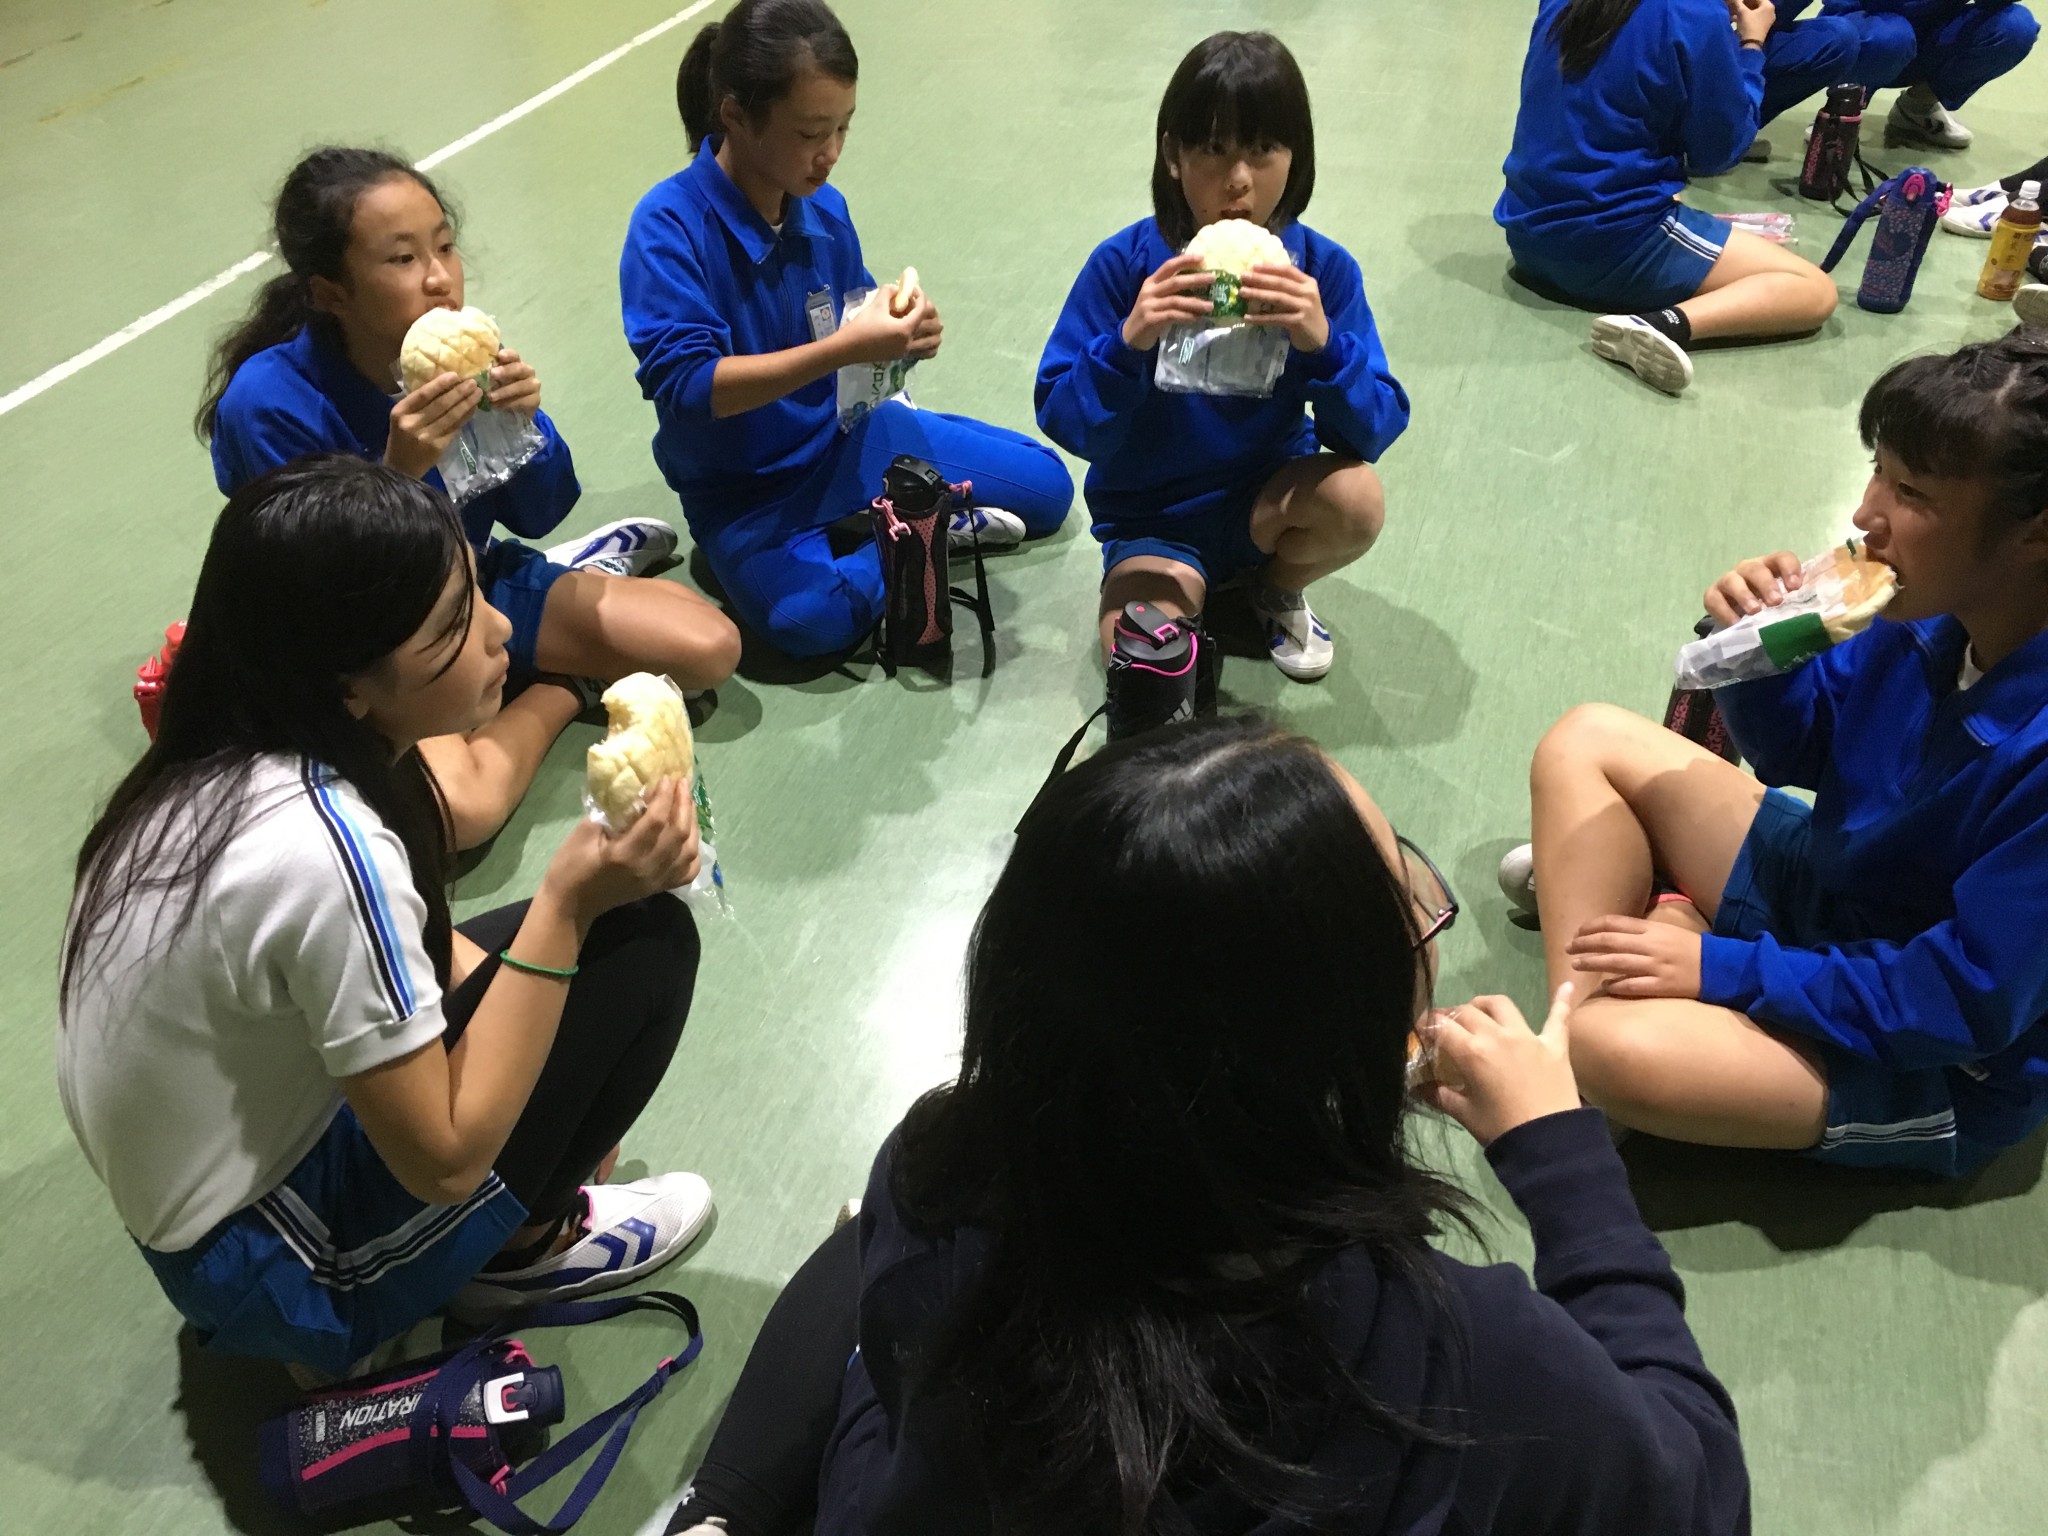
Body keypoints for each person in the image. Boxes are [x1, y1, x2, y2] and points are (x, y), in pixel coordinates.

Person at [662, 717, 1751, 1536]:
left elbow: (908, 1404)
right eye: (1399, 909)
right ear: (1338, 1029)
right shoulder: (1450, 1356)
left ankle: (714, 1517)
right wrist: (1559, 1152)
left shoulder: (937, 1176)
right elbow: (1697, 1492)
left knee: (865, 1244)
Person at [59, 457, 716, 1381]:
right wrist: (569, 907)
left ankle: (494, 1213)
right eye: (453, 624)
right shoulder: (323, 845)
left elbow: (423, 952)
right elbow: (444, 1164)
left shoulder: (228, 751)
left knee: (568, 977)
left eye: (476, 594)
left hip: (222, 1190)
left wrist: (557, 1074)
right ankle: (515, 1255)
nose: (498, 630)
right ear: (350, 684)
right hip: (280, 1266)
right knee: (644, 945)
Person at [1503, 333, 2048, 1175]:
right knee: (1587, 739)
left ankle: (1623, 997)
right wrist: (1757, 650)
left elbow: (1961, 999)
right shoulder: (1928, 611)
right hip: (1842, 897)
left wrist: (1721, 968)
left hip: (1935, 1051)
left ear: (2036, 534)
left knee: (1614, 1047)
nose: (1866, 515)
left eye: (1911, 492)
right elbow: (1802, 752)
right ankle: (1627, 983)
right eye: (1877, 470)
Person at [203, 147, 740, 849]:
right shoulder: (268, 406)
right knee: (464, 811)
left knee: (709, 650)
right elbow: (331, 604)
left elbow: (539, 512)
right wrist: (399, 473)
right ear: (330, 292)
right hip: (382, 642)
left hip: (472, 578)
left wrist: (526, 424)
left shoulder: (462, 362)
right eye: (403, 259)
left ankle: (563, 601)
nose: (440, 279)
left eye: (445, 247)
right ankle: (564, 685)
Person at [621, 0, 1074, 660]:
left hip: (849, 439)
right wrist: (843, 349)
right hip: (746, 494)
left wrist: (901, 339)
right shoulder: (667, 227)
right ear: (736, 115)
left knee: (1050, 492)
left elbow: (856, 333)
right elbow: (691, 387)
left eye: (843, 128)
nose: (830, 153)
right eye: (810, 133)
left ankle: (901, 518)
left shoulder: (824, 210)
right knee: (811, 625)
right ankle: (920, 532)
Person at [1036, 30, 1407, 684]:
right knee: (1144, 672)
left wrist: (1323, 345)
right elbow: (1067, 421)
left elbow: (1372, 431)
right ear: (1172, 156)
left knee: (1357, 500)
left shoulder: (1321, 273)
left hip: (1267, 503)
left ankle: (1274, 587)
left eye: (1262, 151)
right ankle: (1183, 591)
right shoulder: (1125, 267)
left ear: (1296, 158)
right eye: (1213, 150)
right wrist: (1129, 342)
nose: (1239, 180)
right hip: (1154, 523)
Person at [1496, 0, 1839, 395]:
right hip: (1608, 251)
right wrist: (1751, 46)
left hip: (1527, 233)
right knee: (1814, 291)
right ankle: (1662, 325)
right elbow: (1718, 153)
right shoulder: (1696, 13)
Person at [1765, 0, 2036, 148]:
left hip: (1934, 32)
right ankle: (1842, 111)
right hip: (1869, 27)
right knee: (1891, 37)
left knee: (2016, 27)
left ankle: (1917, 108)